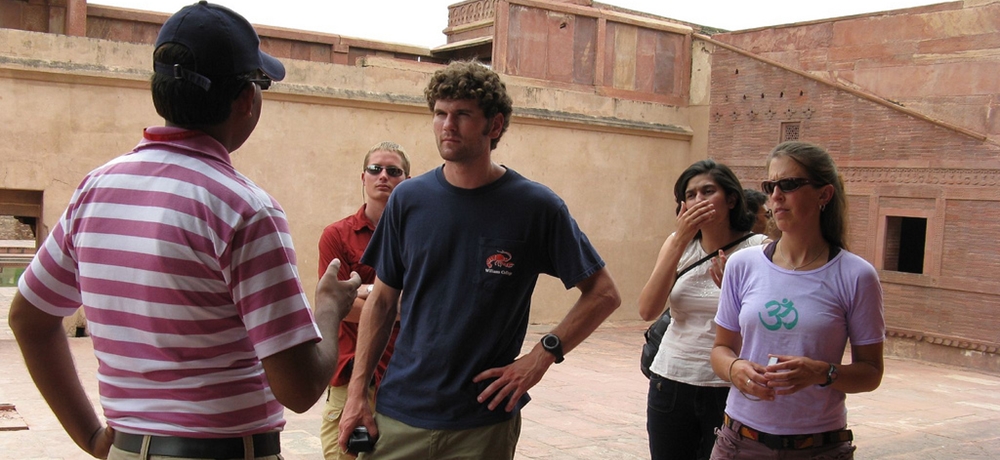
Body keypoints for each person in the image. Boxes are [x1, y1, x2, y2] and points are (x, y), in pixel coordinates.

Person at [8, 3, 360, 459]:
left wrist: (93, 437)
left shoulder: (95, 190)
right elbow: (300, 388)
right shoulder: (245, 210)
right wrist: (329, 308)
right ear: (245, 100)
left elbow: (28, 318)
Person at [337, 60, 622, 459]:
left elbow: (603, 294)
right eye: (440, 113)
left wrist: (540, 358)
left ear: (495, 125)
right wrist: (356, 395)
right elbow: (383, 302)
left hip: (483, 421)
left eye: (462, 114)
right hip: (399, 412)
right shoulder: (408, 200)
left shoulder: (536, 207)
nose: (447, 125)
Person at [709, 141, 885, 459]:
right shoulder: (742, 264)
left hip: (818, 447)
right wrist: (735, 369)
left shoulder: (856, 275)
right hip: (740, 442)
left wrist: (822, 372)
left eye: (789, 185)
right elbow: (720, 349)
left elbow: (871, 372)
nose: (775, 196)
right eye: (770, 185)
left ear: (824, 195)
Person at [638, 160, 765, 460]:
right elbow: (647, 308)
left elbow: (764, 322)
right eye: (691, 195)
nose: (698, 201)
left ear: (731, 199)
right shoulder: (677, 244)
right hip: (670, 381)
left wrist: (731, 292)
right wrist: (680, 239)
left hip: (726, 384)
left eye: (708, 191)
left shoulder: (759, 250)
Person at [318, 142, 410, 459]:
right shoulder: (337, 235)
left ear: (406, 181)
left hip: (403, 380)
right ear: (363, 177)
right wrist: (389, 299)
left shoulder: (420, 237)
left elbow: (428, 304)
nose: (383, 176)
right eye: (375, 169)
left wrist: (364, 292)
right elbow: (339, 308)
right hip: (349, 379)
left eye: (393, 171)